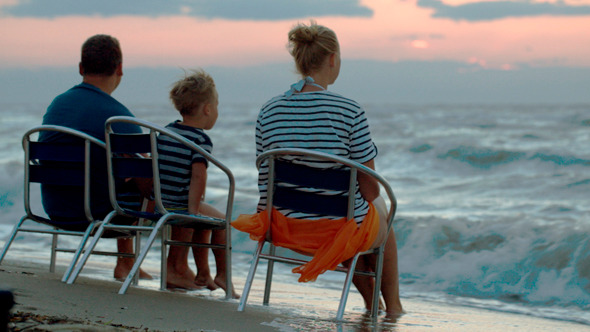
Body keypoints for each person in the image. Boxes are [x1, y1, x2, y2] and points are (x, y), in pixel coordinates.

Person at [235, 21, 402, 315]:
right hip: (334, 228)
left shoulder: (269, 110)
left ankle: (372, 304)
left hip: (280, 226)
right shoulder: (350, 111)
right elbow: (370, 188)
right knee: (378, 216)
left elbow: (265, 180)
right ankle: (394, 308)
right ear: (332, 59)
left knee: (351, 218)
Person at [40, 34, 151, 281]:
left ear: (81, 68)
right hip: (98, 214)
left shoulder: (57, 105)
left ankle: (127, 263)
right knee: (143, 181)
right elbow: (147, 187)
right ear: (119, 68)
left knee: (117, 174)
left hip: (55, 209)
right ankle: (172, 268)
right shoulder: (119, 118)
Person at [157, 69, 237, 297]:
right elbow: (198, 176)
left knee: (205, 223)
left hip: (162, 202)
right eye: (217, 105)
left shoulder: (167, 131)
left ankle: (203, 274)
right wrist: (192, 211)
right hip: (181, 204)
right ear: (207, 109)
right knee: (222, 222)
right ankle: (223, 274)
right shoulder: (200, 139)